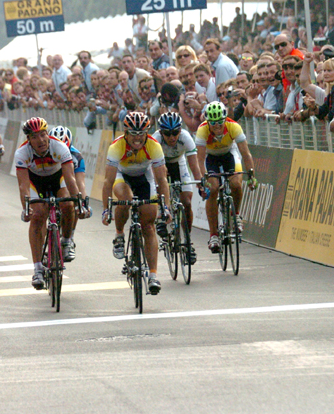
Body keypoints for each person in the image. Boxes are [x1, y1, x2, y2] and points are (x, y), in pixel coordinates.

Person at [101, 112, 171, 295]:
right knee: (125, 200)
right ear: (126, 132)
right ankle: (118, 235)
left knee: (149, 225)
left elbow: (162, 180)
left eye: (142, 133)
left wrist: (166, 207)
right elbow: (108, 182)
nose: (138, 138)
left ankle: (153, 276)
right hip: (121, 176)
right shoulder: (117, 146)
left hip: (143, 178)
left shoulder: (153, 145)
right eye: (133, 133)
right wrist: (105, 210)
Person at [15, 117, 82, 289]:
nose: (41, 140)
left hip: (57, 179)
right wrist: (26, 208)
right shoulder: (22, 153)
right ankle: (38, 269)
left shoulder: (58, 146)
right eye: (35, 137)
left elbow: (70, 179)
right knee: (38, 215)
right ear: (28, 139)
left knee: (67, 204)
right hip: (35, 182)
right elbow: (23, 186)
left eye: (43, 134)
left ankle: (66, 240)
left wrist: (78, 201)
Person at [195, 102, 257, 253]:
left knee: (236, 183)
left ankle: (235, 215)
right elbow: (200, 160)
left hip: (230, 154)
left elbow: (246, 154)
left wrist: (251, 176)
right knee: (214, 187)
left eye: (220, 122)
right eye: (213, 123)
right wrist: (204, 180)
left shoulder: (233, 126)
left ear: (225, 119)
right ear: (208, 121)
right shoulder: (202, 130)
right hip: (211, 158)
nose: (217, 126)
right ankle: (213, 235)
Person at [152, 112, 203, 264]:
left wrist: (200, 183)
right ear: (161, 132)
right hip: (160, 164)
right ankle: (162, 214)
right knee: (160, 186)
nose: (172, 137)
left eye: (175, 132)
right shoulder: (155, 140)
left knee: (186, 202)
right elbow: (154, 171)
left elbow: (194, 165)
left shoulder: (186, 138)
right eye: (168, 134)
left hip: (178, 163)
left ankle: (187, 242)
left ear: (180, 130)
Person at [49, 125, 92, 258]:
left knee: (74, 202)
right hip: (50, 181)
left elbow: (80, 183)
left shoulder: (76, 157)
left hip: (67, 183)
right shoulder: (45, 151)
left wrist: (83, 203)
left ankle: (69, 238)